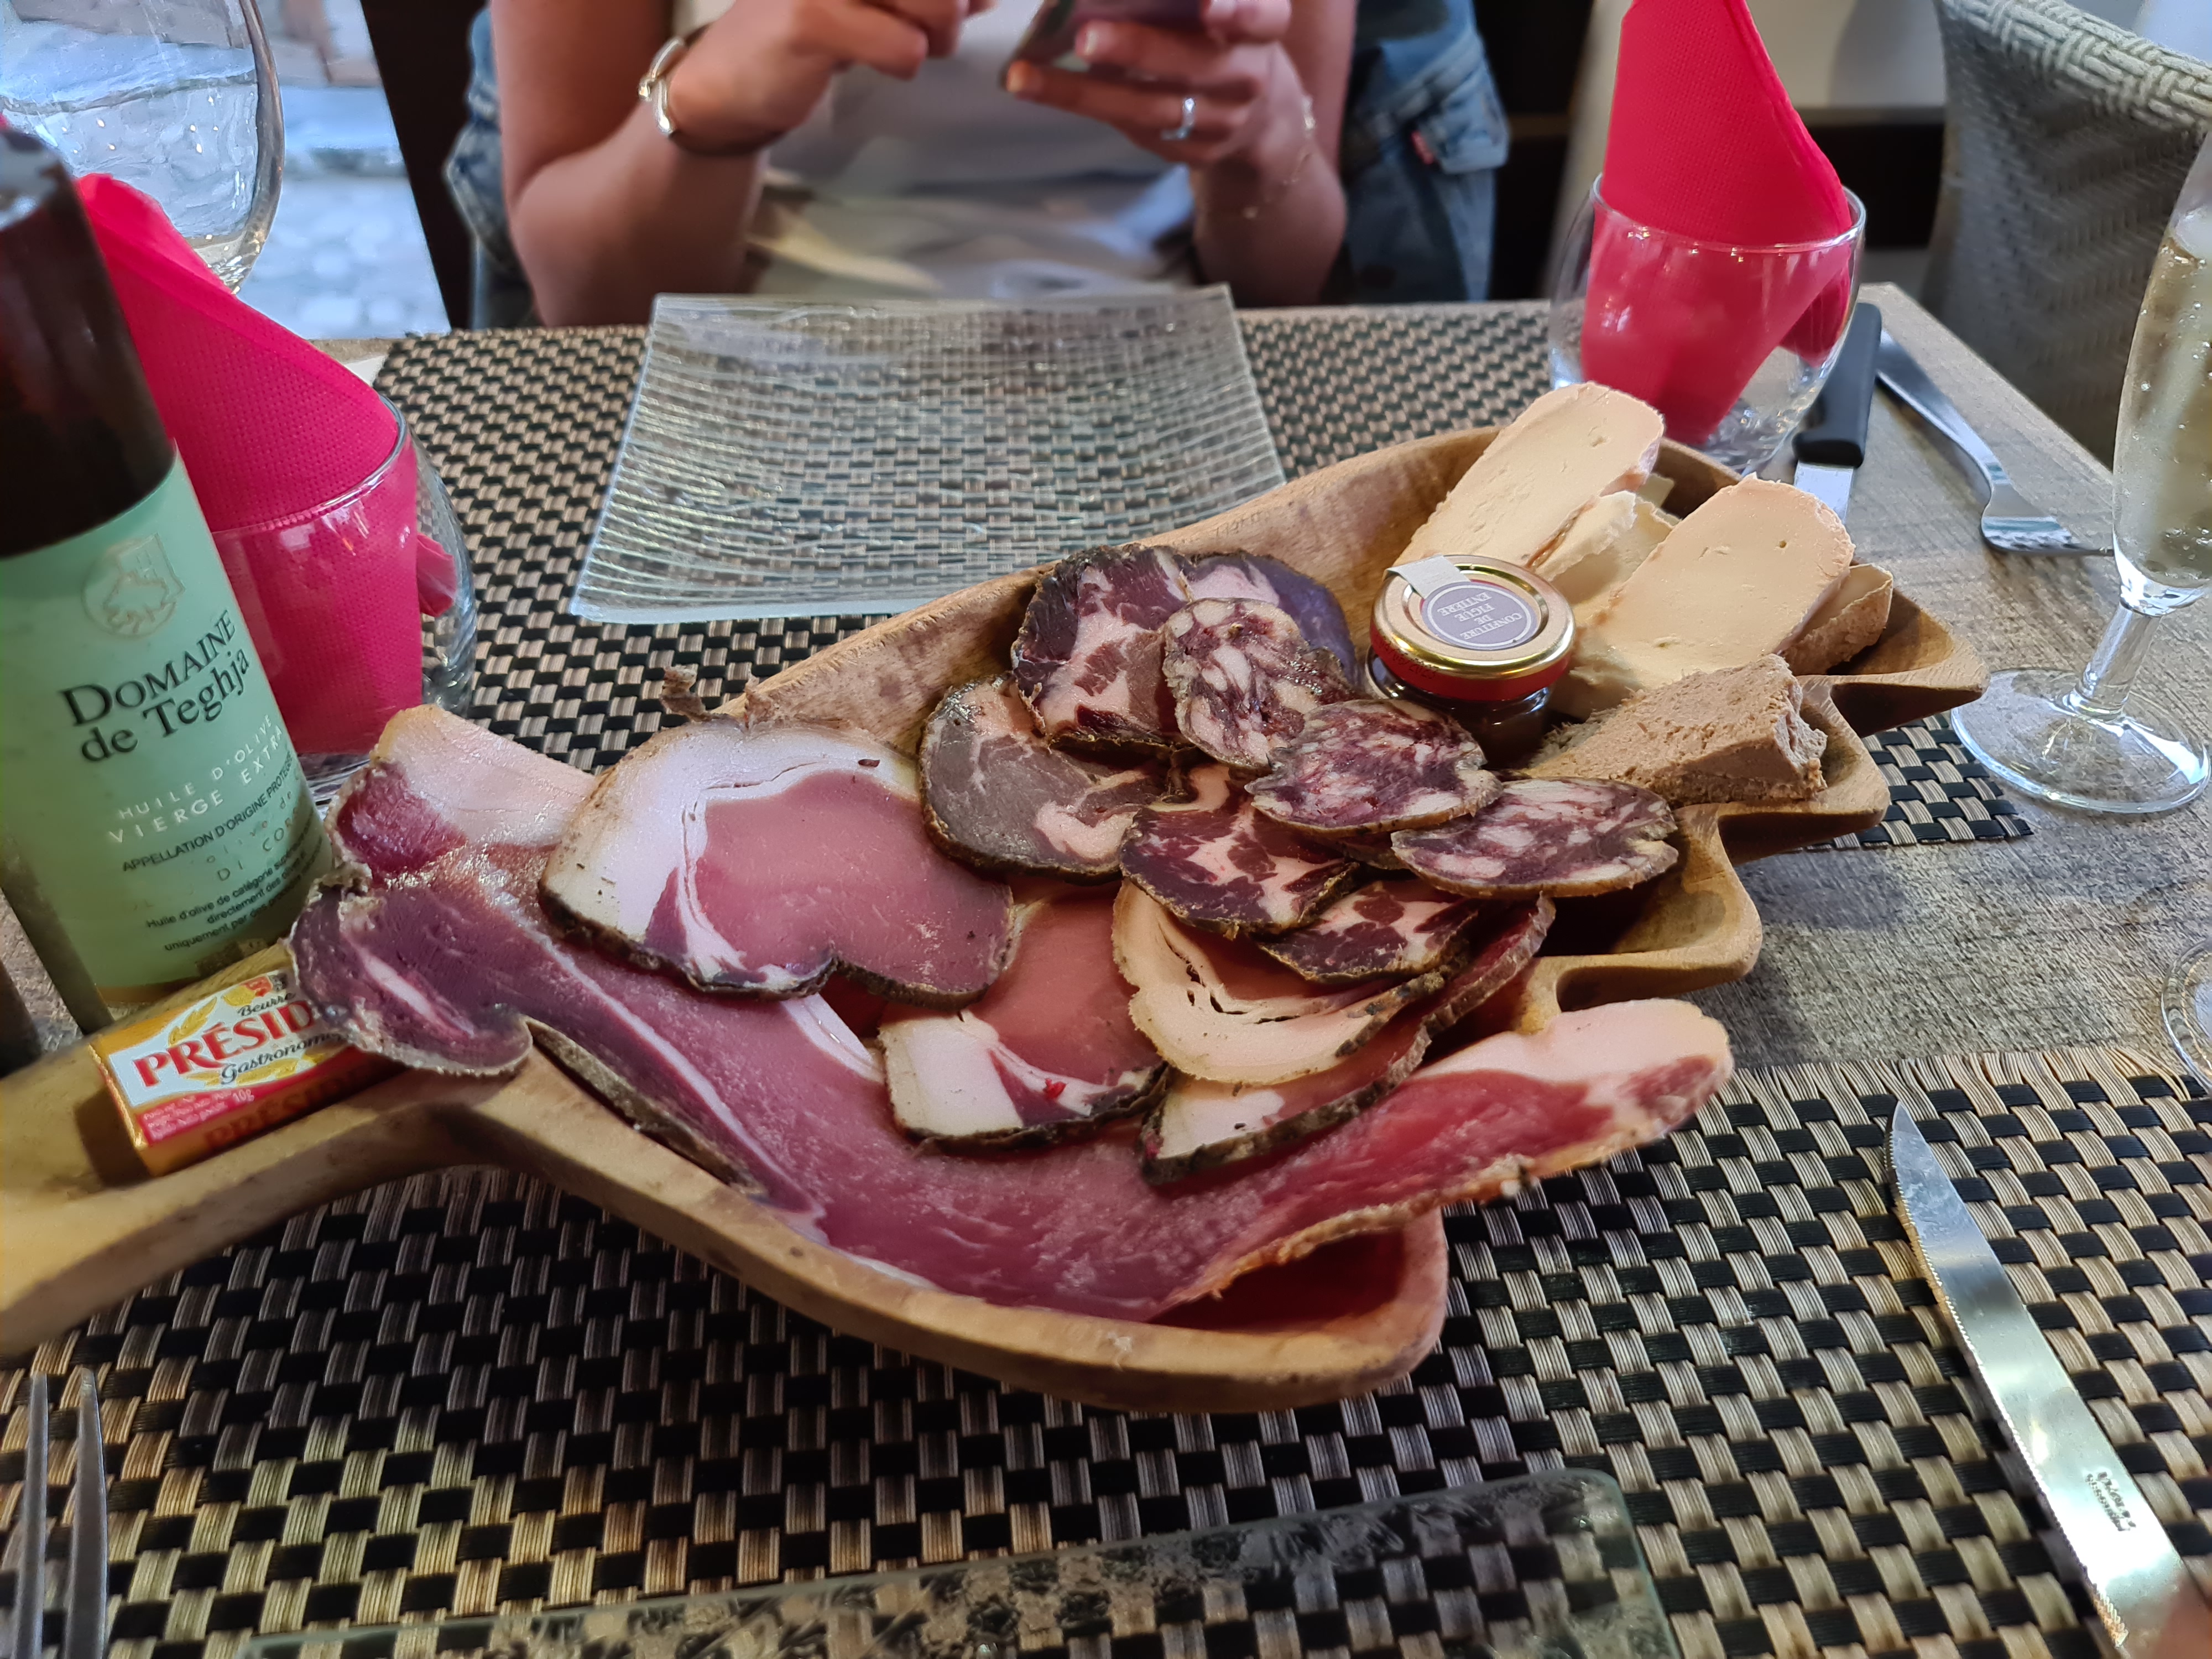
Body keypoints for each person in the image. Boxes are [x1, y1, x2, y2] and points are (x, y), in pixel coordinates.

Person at [445, 0, 1506, 326]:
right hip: (739, 370)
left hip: (1158, 360)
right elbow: (587, 303)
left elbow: (1284, 285)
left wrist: (1259, 144)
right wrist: (712, 102)